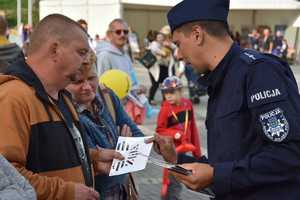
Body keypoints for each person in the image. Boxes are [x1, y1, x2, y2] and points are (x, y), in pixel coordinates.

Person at [149, 0, 300, 199]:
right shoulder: (221, 78)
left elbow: (289, 155)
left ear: (197, 34)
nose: (179, 54)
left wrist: (216, 175)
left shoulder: (259, 72)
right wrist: (176, 158)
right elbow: (233, 159)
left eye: (178, 44)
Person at [0, 14, 123, 200]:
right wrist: (65, 192)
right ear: (55, 50)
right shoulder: (13, 97)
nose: (85, 61)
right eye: (81, 52)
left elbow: (53, 157)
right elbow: (7, 178)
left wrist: (93, 161)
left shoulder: (63, 97)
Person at [67, 50, 144, 199]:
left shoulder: (106, 95)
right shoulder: (64, 112)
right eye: (78, 81)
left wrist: (119, 152)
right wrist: (123, 146)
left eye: (91, 78)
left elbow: (139, 141)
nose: (88, 87)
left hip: (122, 192)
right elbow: (88, 163)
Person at [156, 76, 201, 200]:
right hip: (171, 151)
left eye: (172, 92)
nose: (168, 96)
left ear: (180, 91)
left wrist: (197, 153)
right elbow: (159, 131)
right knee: (171, 180)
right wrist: (175, 134)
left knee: (182, 178)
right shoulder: (165, 108)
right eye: (166, 93)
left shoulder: (188, 104)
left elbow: (193, 129)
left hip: (185, 149)